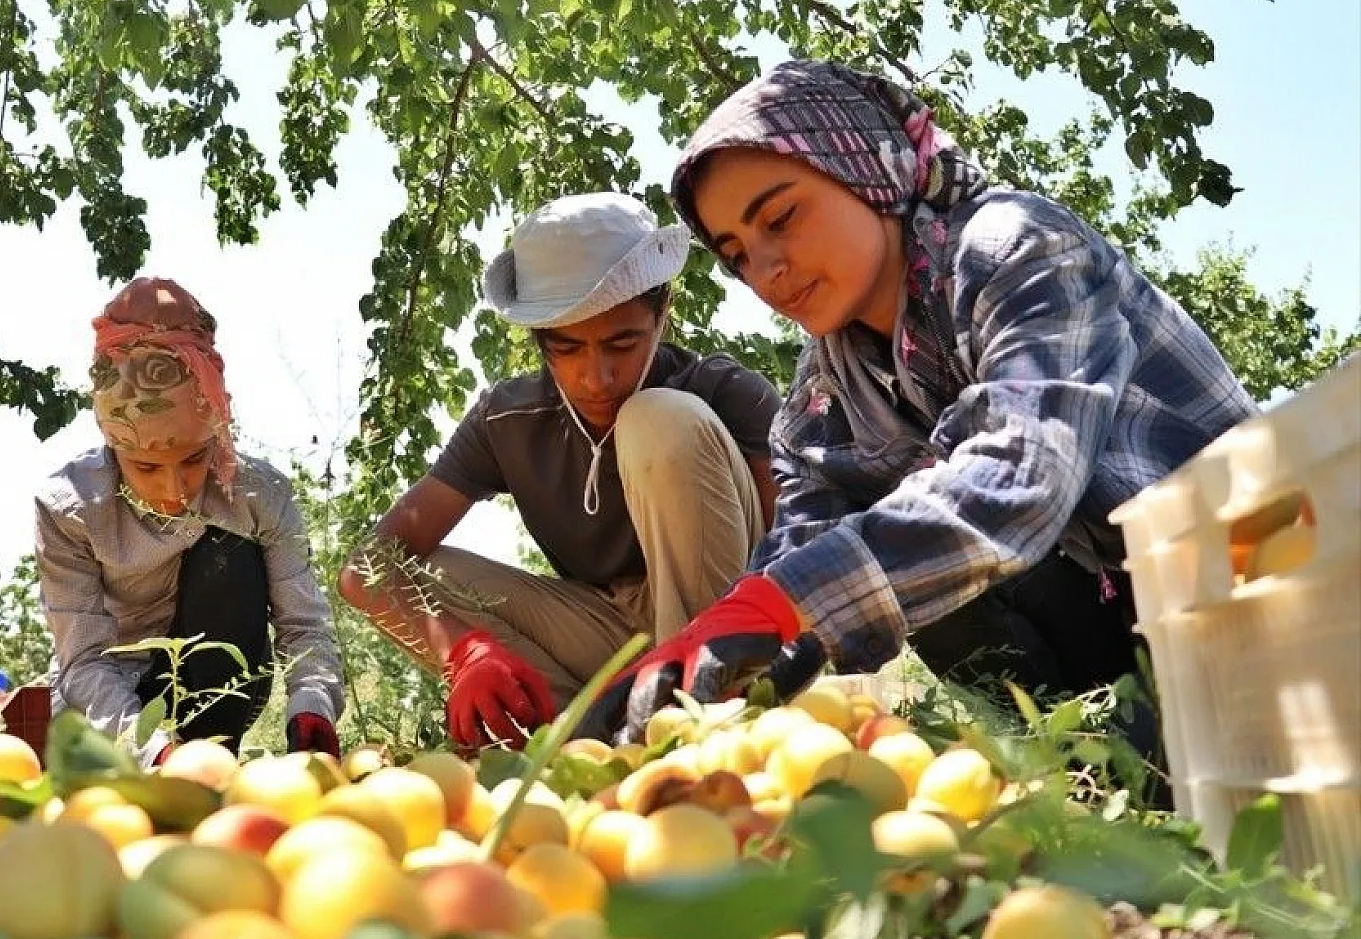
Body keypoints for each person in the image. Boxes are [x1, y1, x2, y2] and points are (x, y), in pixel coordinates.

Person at [588, 59, 1257, 762]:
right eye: (738, 255)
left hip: (1241, 579)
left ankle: (1178, 754)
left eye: (781, 218)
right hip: (1109, 620)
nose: (767, 270)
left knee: (929, 530)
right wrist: (714, 657)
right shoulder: (826, 397)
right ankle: (1103, 761)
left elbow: (1022, 474)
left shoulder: (1017, 248)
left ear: (863, 167)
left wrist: (786, 602)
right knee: (900, 560)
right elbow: (803, 548)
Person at [339, 192, 782, 749]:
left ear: (662, 312)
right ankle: (581, 743)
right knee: (414, 571)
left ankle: (697, 718)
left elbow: (798, 558)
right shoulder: (507, 420)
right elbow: (366, 568)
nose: (597, 377)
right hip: (602, 639)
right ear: (539, 341)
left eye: (622, 342)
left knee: (658, 417)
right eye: (567, 349)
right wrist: (464, 651)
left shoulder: (725, 393)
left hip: (731, 631)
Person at [35, 277, 345, 762]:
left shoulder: (257, 495)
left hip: (217, 689)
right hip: (107, 707)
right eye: (147, 468)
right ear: (116, 447)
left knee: (228, 554)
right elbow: (83, 662)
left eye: (196, 460)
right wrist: (152, 750)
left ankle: (211, 754)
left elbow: (304, 627)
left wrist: (313, 704)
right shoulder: (69, 508)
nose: (174, 489)